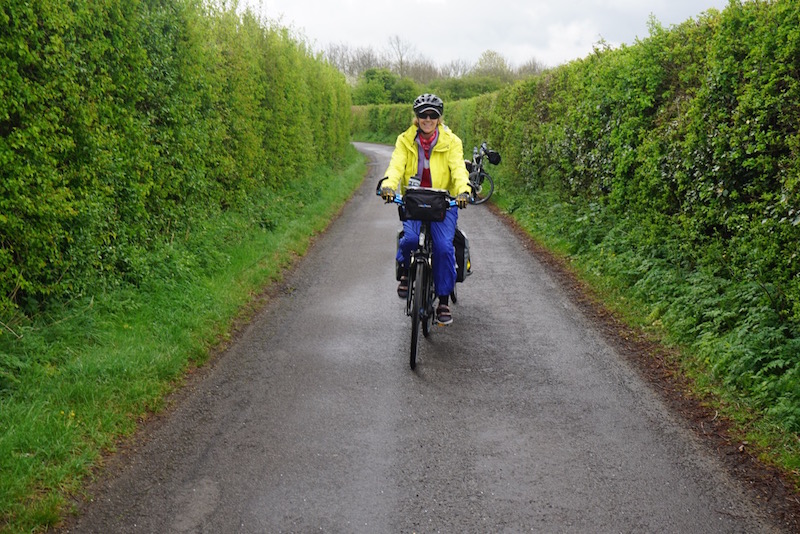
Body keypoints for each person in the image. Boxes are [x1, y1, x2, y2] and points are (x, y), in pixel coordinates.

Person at [380, 93, 470, 325]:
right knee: (409, 240)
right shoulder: (405, 140)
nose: (427, 119)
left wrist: (463, 191)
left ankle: (442, 301)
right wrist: (389, 186)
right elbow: (396, 165)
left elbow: (459, 169)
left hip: (444, 202)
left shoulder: (452, 141)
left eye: (432, 115)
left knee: (442, 247)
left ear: (439, 118)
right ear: (416, 118)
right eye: (423, 115)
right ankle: (406, 272)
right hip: (414, 200)